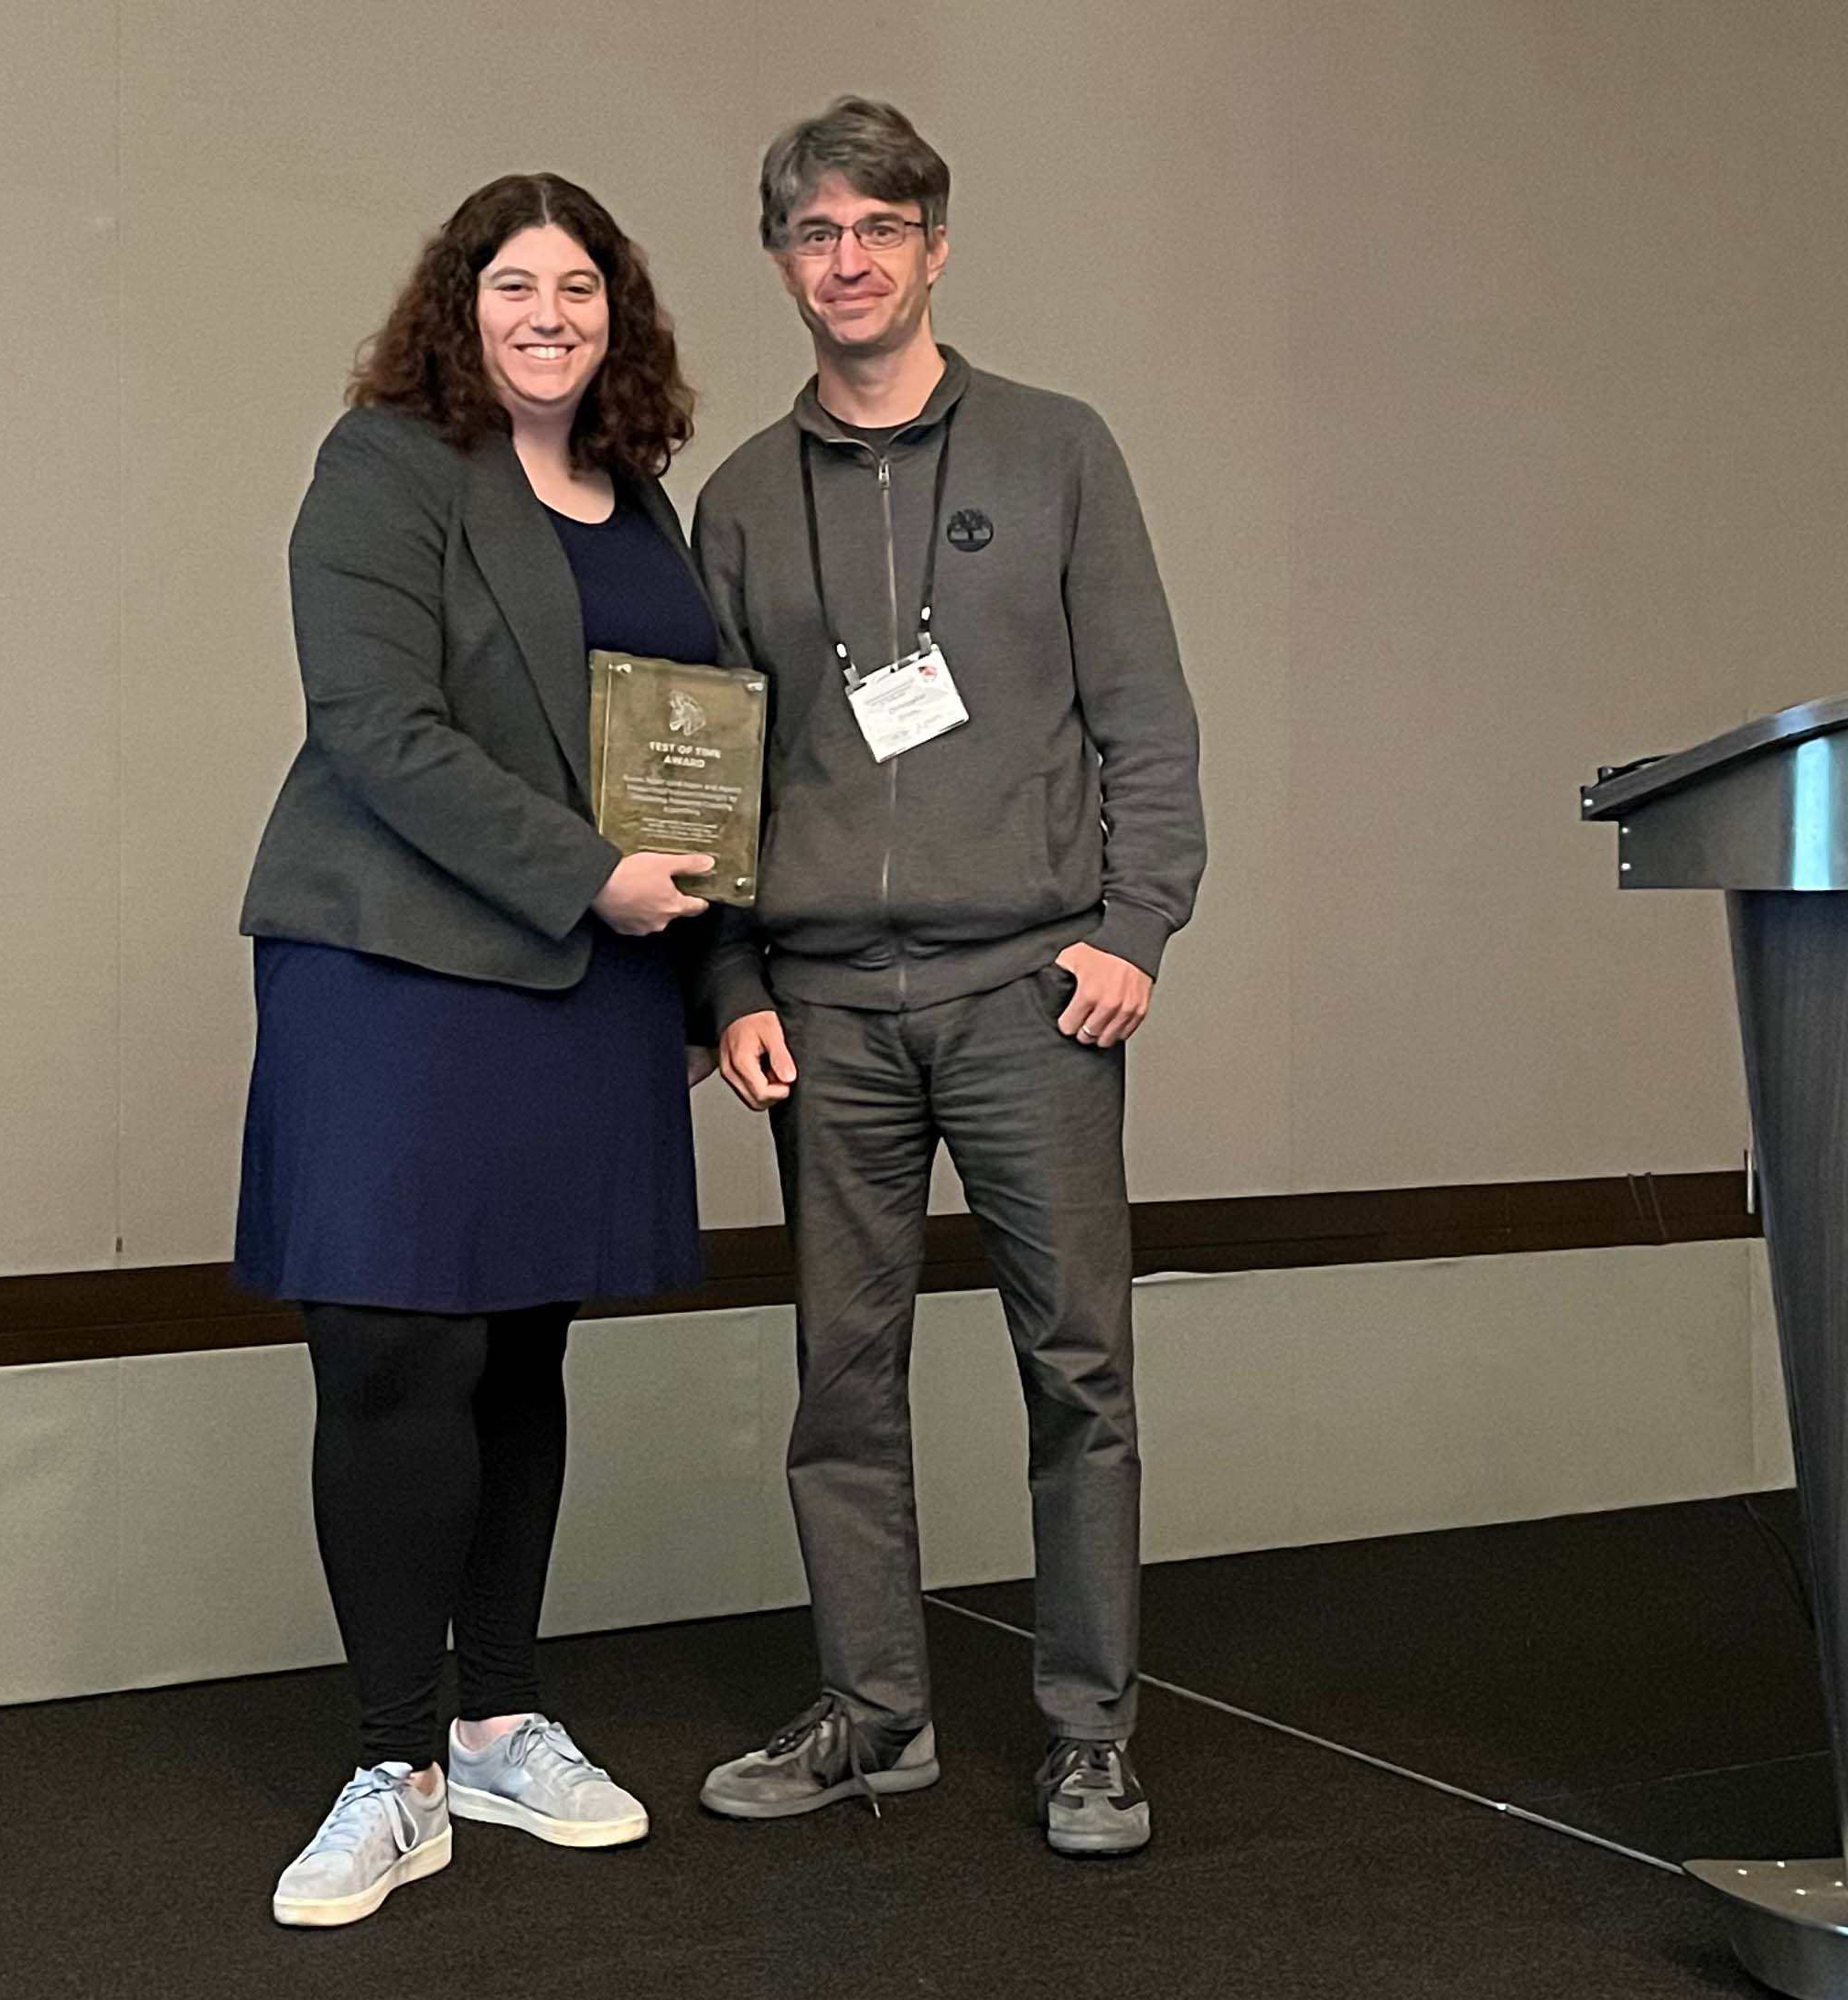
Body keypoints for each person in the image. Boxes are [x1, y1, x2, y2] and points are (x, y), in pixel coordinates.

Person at [690, 99, 1205, 1857]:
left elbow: (1145, 712)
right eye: (814, 235)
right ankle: (874, 1710)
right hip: (823, 1005)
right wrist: (731, 980)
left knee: (1079, 1365)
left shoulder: (1060, 451)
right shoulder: (742, 499)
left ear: (934, 244)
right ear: (783, 264)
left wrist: (1136, 927)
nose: (848, 262)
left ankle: (1088, 1731)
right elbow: (714, 776)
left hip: (1027, 992)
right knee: (845, 1372)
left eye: (877, 228)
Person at [233, 172, 723, 1927]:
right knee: (390, 1353)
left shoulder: (642, 499)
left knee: (523, 1351)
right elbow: (373, 725)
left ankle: (503, 1720)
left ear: (619, 313)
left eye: (578, 285)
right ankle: (396, 1766)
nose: (547, 312)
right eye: (512, 282)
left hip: (591, 987)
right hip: (395, 962)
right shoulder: (382, 464)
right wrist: (593, 877)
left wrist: (716, 983)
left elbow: (698, 767)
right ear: (460, 303)